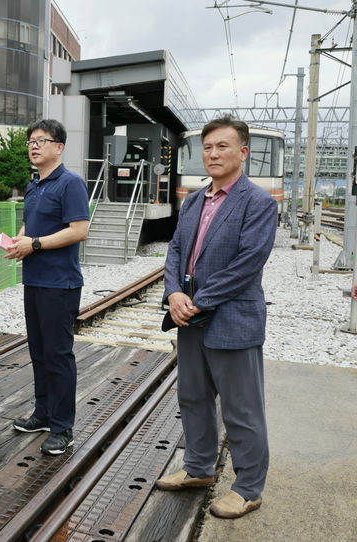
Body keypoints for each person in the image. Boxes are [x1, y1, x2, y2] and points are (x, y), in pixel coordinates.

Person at [156, 115, 277, 519]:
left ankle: (247, 488)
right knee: (192, 397)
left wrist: (197, 300)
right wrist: (174, 292)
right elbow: (175, 250)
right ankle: (198, 468)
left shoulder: (257, 202)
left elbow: (247, 264)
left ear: (243, 152)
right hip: (189, 317)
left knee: (241, 409)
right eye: (207, 147)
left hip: (230, 319)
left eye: (222, 146)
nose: (212, 154)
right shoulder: (194, 200)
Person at [5, 119, 89, 455]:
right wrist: (20, 240)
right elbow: (33, 225)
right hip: (35, 280)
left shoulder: (71, 183)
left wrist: (34, 244)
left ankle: (63, 427)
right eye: (31, 141)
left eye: (42, 140)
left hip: (60, 283)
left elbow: (78, 230)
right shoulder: (34, 185)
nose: (34, 145)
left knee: (58, 355)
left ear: (59, 146)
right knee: (38, 353)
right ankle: (42, 414)